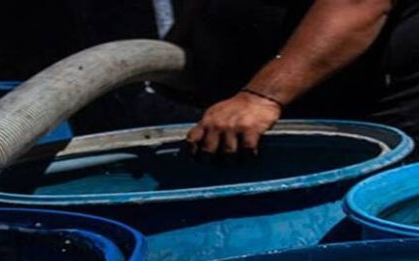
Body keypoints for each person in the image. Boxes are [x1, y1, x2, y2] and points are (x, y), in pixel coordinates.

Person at [168, 0, 419, 155]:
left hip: (357, 114)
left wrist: (262, 96)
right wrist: (180, 39)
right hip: (240, 108)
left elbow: (358, 3)